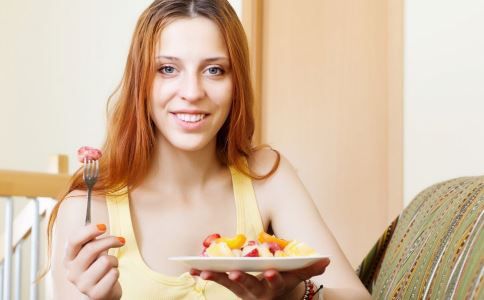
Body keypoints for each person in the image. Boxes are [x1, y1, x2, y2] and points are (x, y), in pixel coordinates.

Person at [46, 0, 371, 299]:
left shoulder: (265, 176)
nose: (192, 92)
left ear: (236, 83)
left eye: (214, 70)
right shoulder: (87, 210)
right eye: (168, 69)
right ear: (140, 82)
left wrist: (293, 294)